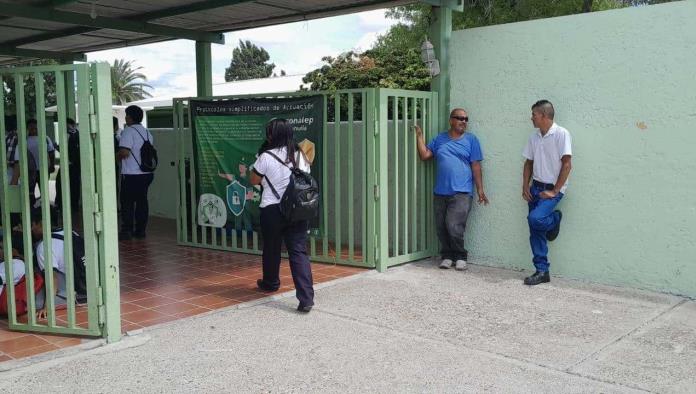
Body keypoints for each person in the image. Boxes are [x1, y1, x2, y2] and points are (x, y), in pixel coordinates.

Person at [250, 118, 314, 313]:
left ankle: (270, 282)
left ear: (271, 135)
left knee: (271, 248)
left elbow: (254, 180)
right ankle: (306, 298)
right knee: (298, 251)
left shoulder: (265, 157)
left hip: (272, 209)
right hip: (297, 210)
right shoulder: (300, 155)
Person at [415, 108, 489, 271]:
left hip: (462, 192)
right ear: (451, 120)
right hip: (441, 191)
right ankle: (447, 256)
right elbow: (425, 155)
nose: (463, 121)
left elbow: (476, 166)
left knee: (453, 225)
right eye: (459, 118)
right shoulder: (440, 139)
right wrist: (419, 136)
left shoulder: (471, 140)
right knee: (441, 227)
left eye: (465, 119)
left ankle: (460, 256)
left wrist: (480, 190)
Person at [521, 100, 572, 286]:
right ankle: (542, 271)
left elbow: (567, 164)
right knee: (534, 230)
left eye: (533, 114)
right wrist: (525, 186)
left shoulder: (561, 134)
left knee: (535, 219)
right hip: (535, 187)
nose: (531, 118)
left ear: (543, 115)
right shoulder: (534, 137)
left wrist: (555, 190)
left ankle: (555, 219)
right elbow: (528, 163)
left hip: (552, 189)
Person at [117, 105, 154, 240]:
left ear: (130, 117)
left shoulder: (128, 131)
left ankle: (126, 231)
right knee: (142, 202)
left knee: (127, 203)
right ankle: (140, 230)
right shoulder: (146, 132)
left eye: (127, 115)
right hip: (146, 174)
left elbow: (124, 152)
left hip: (131, 174)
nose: (126, 117)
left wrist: (115, 157)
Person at [9, 118, 56, 208]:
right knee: (30, 192)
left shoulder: (45, 138)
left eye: (35, 128)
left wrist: (52, 165)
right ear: (27, 129)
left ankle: (44, 208)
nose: (33, 130)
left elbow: (51, 152)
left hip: (43, 170)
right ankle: (31, 209)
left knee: (44, 191)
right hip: (29, 171)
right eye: (31, 128)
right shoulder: (24, 140)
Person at [55, 118, 82, 214]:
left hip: (72, 164)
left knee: (70, 184)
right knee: (62, 183)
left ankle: (70, 204)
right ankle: (63, 203)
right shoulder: (74, 135)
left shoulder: (74, 135)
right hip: (70, 164)